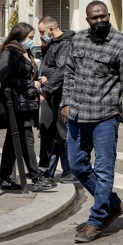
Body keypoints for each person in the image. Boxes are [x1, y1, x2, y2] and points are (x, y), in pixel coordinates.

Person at [62, 1, 123, 243]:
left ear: (108, 15)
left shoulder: (122, 45)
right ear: (87, 20)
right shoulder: (78, 40)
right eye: (94, 18)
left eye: (102, 16)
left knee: (104, 171)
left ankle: (97, 220)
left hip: (105, 117)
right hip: (77, 115)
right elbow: (69, 73)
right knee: (76, 165)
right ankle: (113, 204)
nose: (99, 21)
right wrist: (65, 101)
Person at [0, 23, 56, 192]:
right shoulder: (9, 52)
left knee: (12, 142)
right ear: (20, 36)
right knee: (26, 140)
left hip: (26, 104)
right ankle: (36, 178)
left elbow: (27, 74)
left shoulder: (24, 52)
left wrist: (39, 79)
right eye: (30, 37)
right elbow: (6, 79)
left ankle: (5, 178)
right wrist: (31, 84)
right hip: (16, 105)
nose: (32, 40)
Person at [37, 17, 76, 183]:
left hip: (59, 94)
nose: (40, 36)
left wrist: (45, 90)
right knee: (48, 131)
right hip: (51, 93)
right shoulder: (52, 43)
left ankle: (70, 170)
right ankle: (46, 170)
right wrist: (45, 46)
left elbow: (61, 71)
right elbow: (49, 64)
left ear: (51, 29)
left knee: (62, 134)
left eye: (42, 32)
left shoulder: (65, 44)